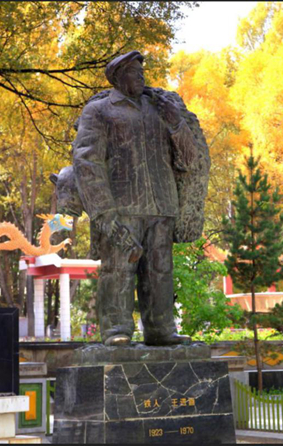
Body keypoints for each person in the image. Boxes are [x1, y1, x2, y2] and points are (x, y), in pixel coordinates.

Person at [73, 51, 197, 346]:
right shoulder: (99, 111)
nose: (141, 76)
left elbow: (190, 159)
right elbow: (87, 162)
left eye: (142, 71)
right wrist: (102, 212)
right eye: (133, 71)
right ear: (117, 77)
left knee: (160, 271)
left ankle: (161, 329)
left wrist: (176, 123)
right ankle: (116, 329)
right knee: (118, 269)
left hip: (162, 204)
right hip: (121, 205)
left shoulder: (160, 109)